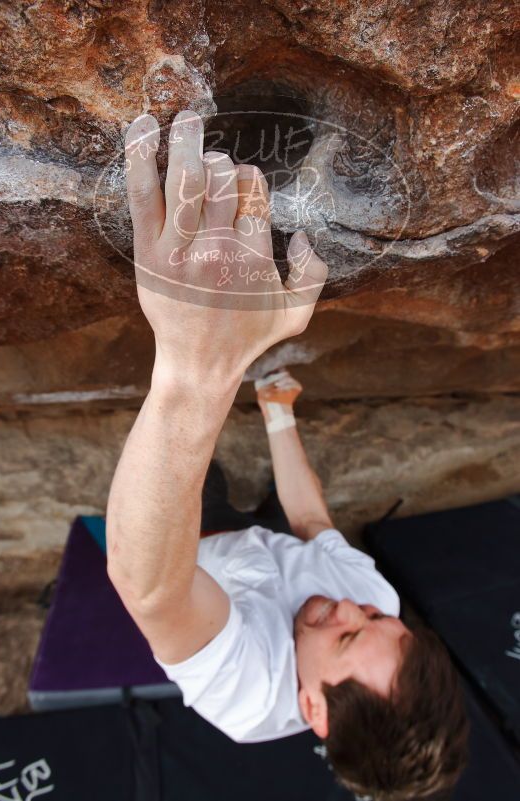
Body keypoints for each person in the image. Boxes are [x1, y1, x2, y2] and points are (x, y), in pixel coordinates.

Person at [106, 109, 469, 801]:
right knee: (273, 512)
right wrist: (277, 416)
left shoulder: (246, 695)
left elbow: (151, 586)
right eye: (375, 619)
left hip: (191, 546)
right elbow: (312, 527)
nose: (346, 605)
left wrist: (193, 371)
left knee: (188, 470)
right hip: (264, 545)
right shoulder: (368, 603)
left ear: (314, 709)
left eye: (343, 638)